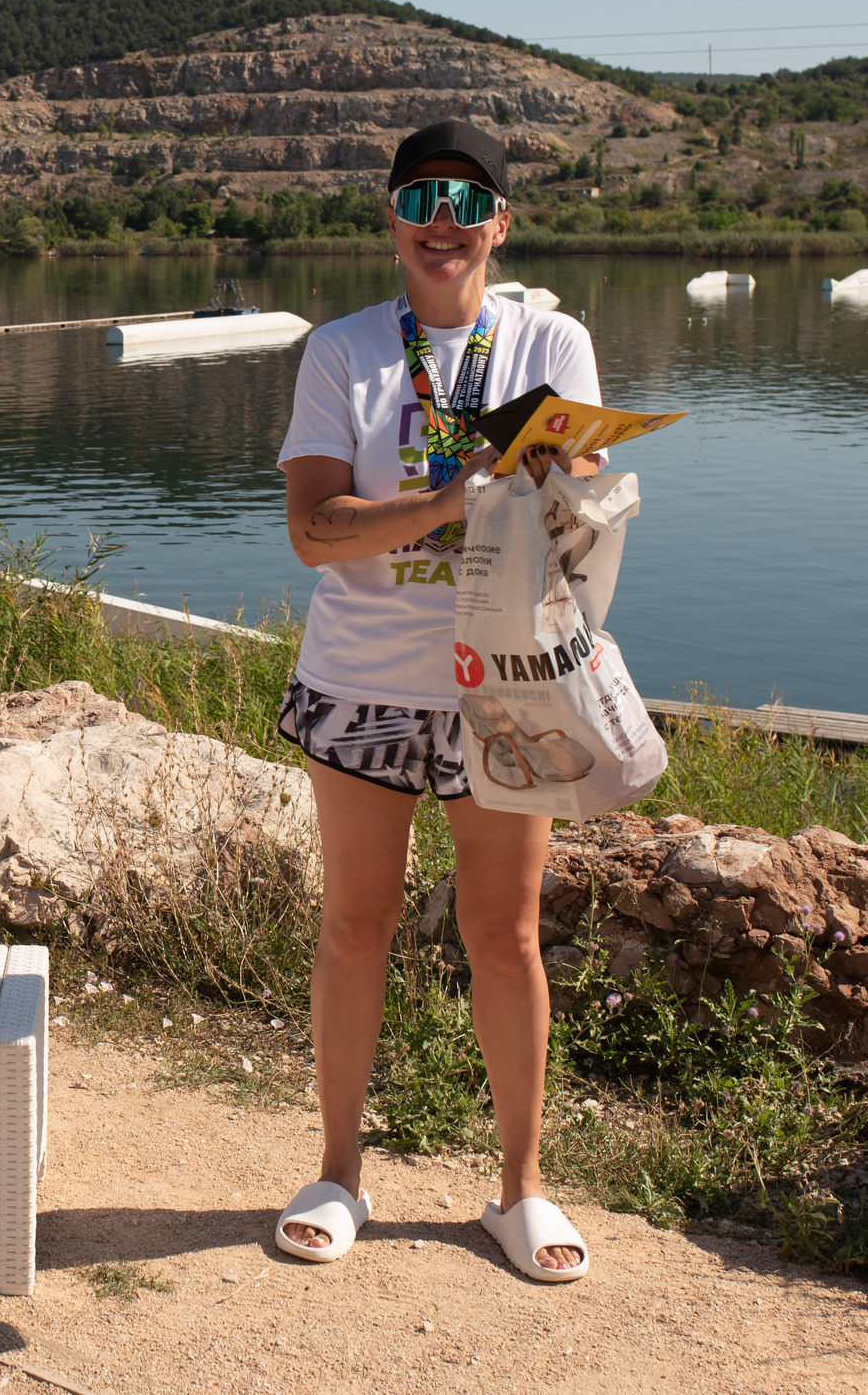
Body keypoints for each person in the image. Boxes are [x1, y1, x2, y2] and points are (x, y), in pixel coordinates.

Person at [272, 119, 603, 1283]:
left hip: (507, 684)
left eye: (468, 201)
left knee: (505, 937)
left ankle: (518, 1189)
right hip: (361, 680)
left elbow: (574, 512)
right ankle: (337, 1171)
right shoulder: (343, 353)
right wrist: (453, 498)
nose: (444, 221)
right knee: (353, 926)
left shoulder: (551, 340)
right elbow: (315, 531)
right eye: (423, 197)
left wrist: (566, 501)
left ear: (499, 224)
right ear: (392, 216)